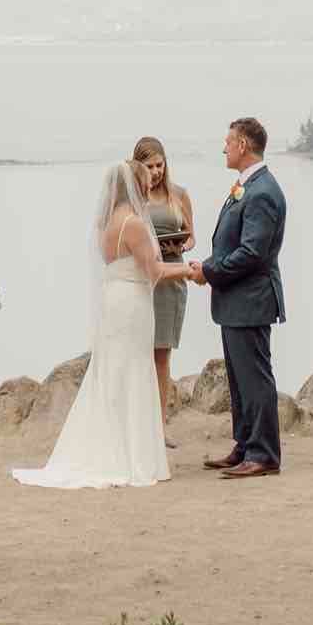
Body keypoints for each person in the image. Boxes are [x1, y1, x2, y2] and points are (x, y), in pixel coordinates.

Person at [12, 158, 194, 490]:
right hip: (133, 303)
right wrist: (193, 271)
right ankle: (133, 456)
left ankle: (112, 446)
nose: (149, 185)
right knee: (135, 371)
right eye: (145, 181)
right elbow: (155, 271)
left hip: (114, 301)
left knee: (113, 373)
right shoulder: (135, 225)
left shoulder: (106, 223)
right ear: (135, 186)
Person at [188, 118, 286, 480]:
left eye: (228, 142)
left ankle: (264, 454)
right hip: (236, 300)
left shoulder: (262, 192)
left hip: (252, 300)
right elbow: (236, 246)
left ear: (243, 145)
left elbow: (251, 254)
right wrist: (209, 266)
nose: (224, 148)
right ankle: (245, 446)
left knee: (255, 378)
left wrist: (209, 273)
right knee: (239, 378)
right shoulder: (249, 186)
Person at [132, 135, 194, 445]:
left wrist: (182, 242)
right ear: (138, 166)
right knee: (138, 352)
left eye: (160, 164)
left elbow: (193, 236)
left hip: (173, 279)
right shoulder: (133, 199)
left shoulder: (179, 195)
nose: (156, 171)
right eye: (150, 165)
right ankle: (136, 423)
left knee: (162, 356)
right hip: (144, 279)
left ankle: (159, 426)